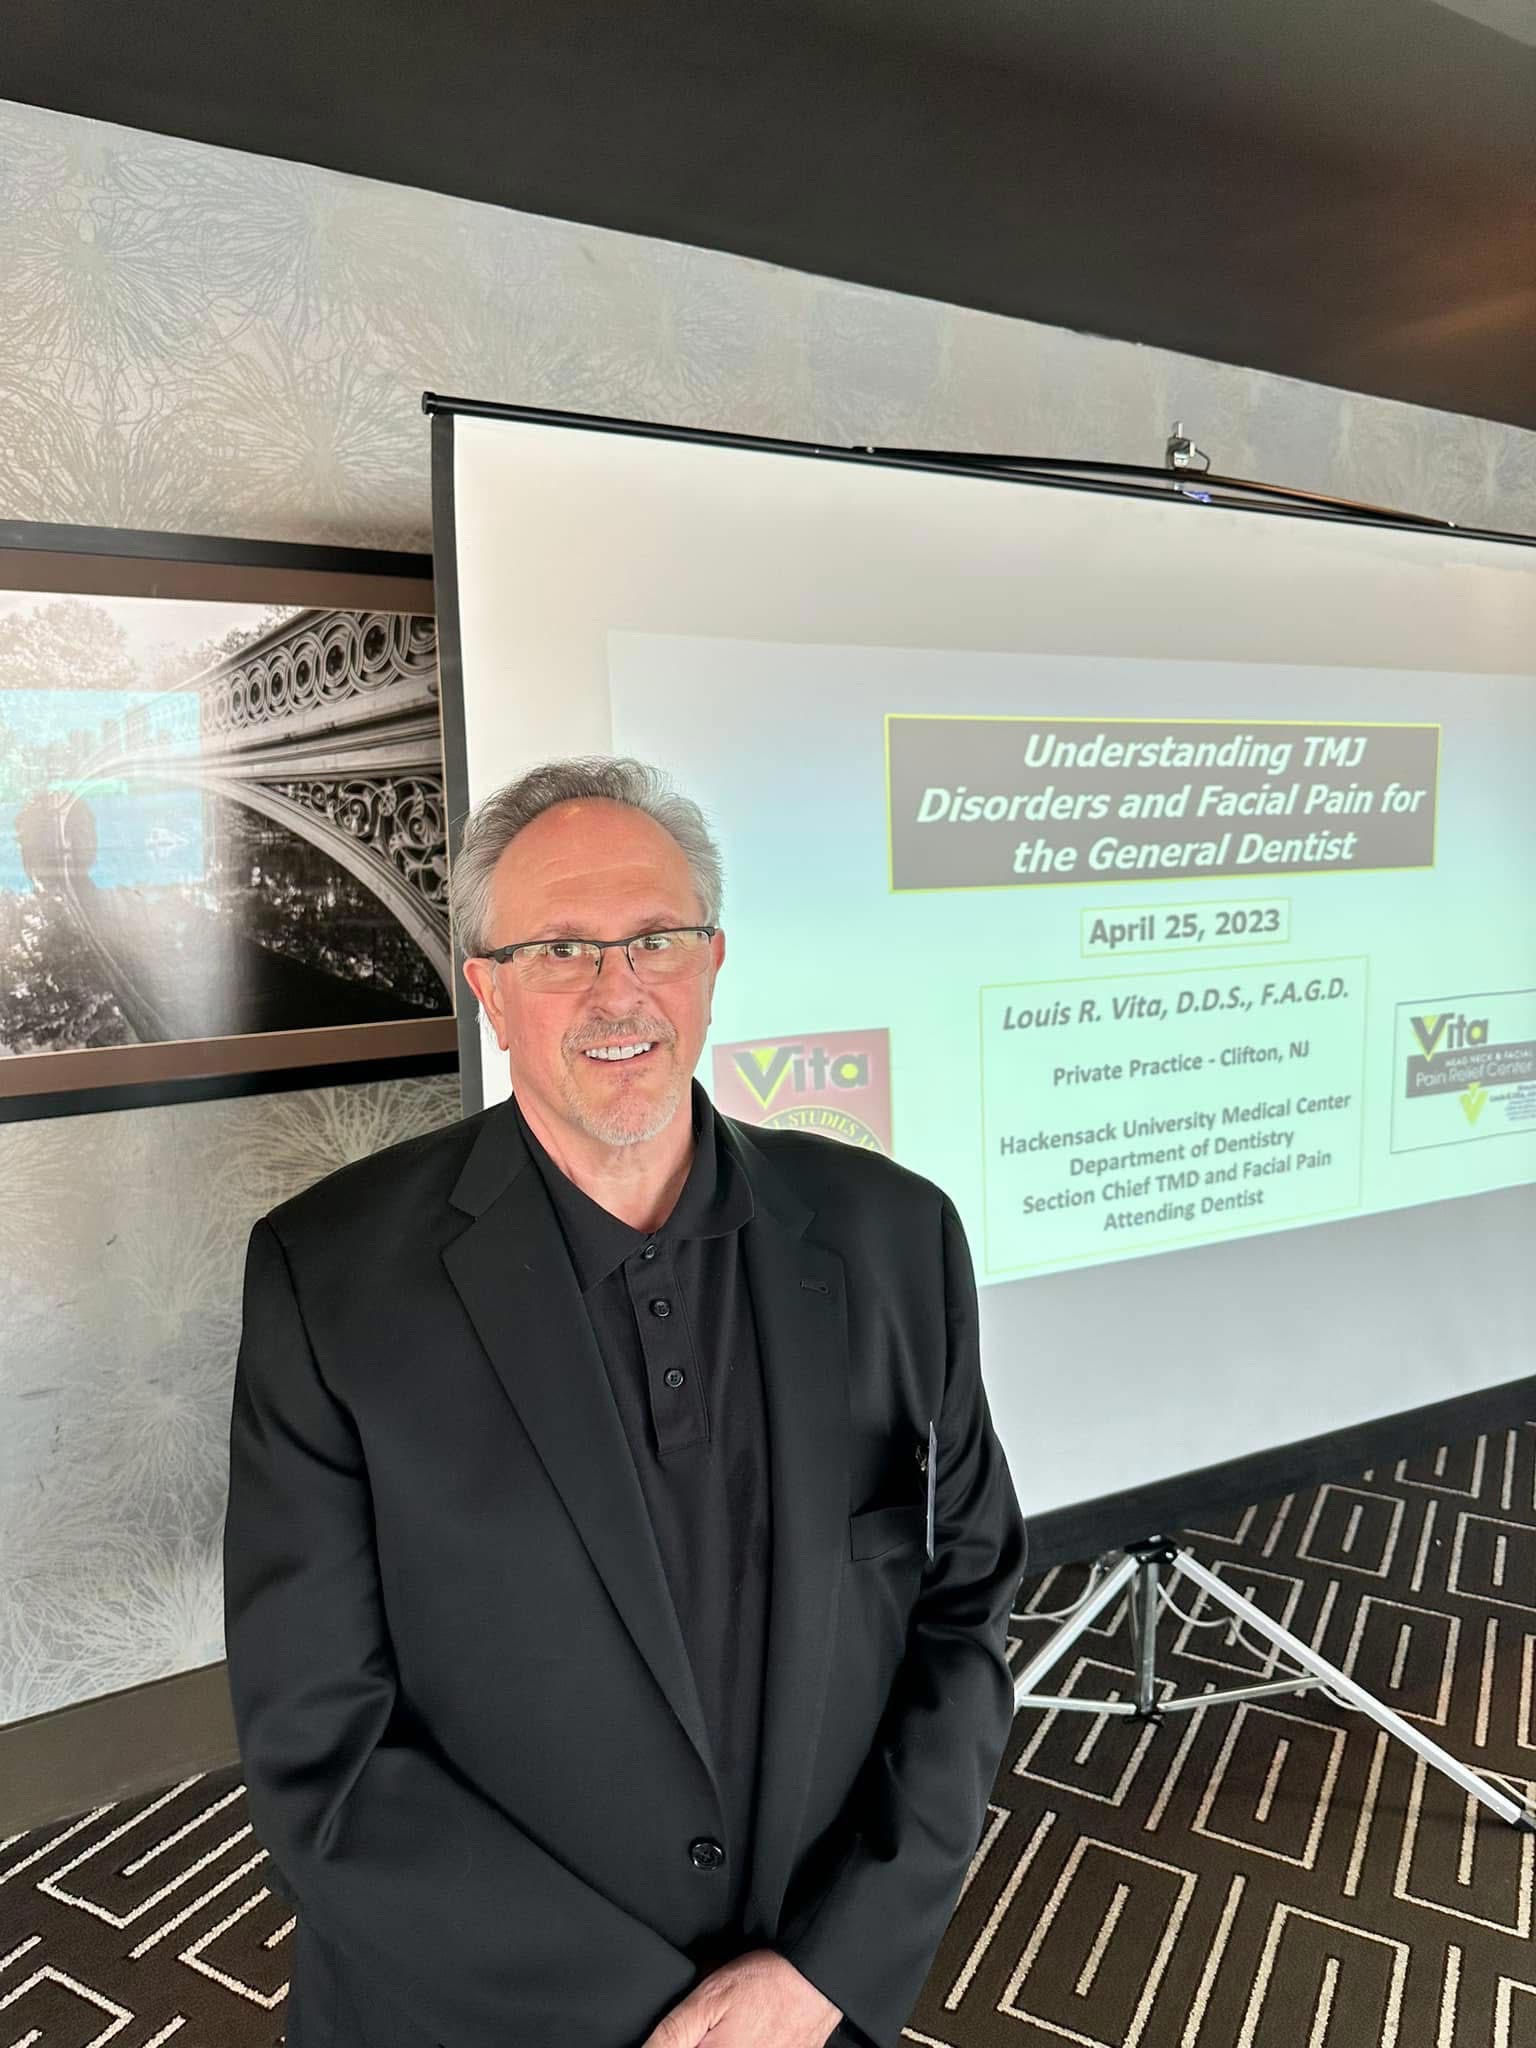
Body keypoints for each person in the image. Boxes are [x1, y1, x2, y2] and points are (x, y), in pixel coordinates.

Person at [223, 755, 1028, 2048]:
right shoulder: (328, 1280)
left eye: (656, 939)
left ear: (712, 963)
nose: (619, 991)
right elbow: (322, 1744)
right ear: (486, 986)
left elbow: (965, 1609)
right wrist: (659, 2021)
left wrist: (824, 1973)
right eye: (559, 950)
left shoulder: (895, 1238)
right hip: (476, 2014)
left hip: (808, 2004)